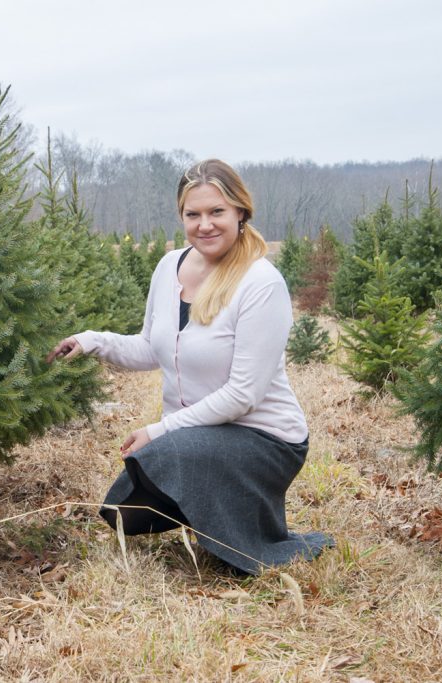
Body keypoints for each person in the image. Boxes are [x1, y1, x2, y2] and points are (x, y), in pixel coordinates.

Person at [46, 159, 332, 575]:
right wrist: (92, 342)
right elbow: (149, 348)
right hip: (194, 435)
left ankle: (251, 540)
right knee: (126, 510)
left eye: (217, 212)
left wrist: (159, 431)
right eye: (192, 214)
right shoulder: (169, 267)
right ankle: (207, 504)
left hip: (266, 439)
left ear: (240, 212)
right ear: (181, 217)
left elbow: (243, 395)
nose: (205, 225)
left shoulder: (260, 282)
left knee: (168, 453)